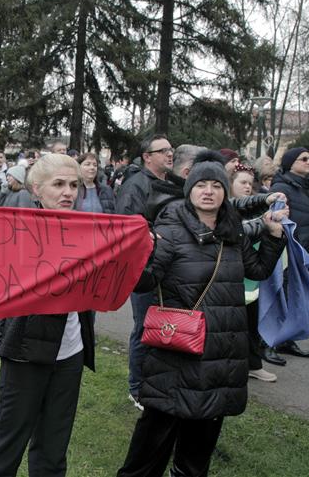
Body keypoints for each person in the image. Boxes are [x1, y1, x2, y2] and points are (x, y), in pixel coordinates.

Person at [116, 153, 286, 477]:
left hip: (220, 361)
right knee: (147, 456)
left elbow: (260, 270)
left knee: (194, 462)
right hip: (175, 361)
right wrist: (140, 253)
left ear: (225, 191)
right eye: (200, 185)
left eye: (215, 185)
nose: (208, 191)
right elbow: (144, 283)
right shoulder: (170, 229)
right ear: (190, 190)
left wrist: (273, 237)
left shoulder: (232, 234)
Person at [0, 154, 95, 477]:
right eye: (58, 185)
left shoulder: (88, 230)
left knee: (53, 447)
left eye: (73, 185)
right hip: (26, 351)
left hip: (71, 351)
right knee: (8, 442)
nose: (68, 192)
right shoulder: (15, 229)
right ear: (36, 189)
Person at [116, 134, 174, 410]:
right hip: (143, 268)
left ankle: (154, 382)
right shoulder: (135, 184)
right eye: (163, 151)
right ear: (147, 157)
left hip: (164, 266)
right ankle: (136, 388)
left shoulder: (166, 184)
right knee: (144, 328)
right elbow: (126, 225)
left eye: (171, 150)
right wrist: (153, 237)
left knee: (160, 326)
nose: (169, 154)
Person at [229, 163, 279, 382]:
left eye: (251, 183)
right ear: (230, 185)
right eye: (243, 182)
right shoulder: (226, 211)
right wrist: (265, 224)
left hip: (252, 275)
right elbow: (240, 233)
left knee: (251, 322)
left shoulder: (259, 208)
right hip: (233, 276)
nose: (248, 187)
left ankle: (253, 363)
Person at [269, 147, 309, 359]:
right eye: (303, 159)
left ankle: (287, 340)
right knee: (284, 297)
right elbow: (277, 219)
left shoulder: (307, 186)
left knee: (296, 298)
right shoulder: (281, 187)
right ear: (291, 164)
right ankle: (270, 343)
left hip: (308, 251)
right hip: (291, 251)